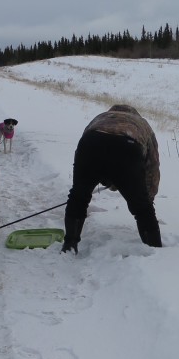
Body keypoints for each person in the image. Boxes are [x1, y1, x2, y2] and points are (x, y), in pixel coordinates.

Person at [62, 104, 161, 253]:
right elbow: (152, 165)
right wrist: (148, 196)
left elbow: (83, 149)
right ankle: (155, 251)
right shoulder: (142, 124)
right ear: (134, 114)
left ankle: (69, 244)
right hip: (128, 147)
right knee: (142, 207)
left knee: (78, 198)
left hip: (91, 142)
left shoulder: (100, 118)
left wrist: (84, 183)